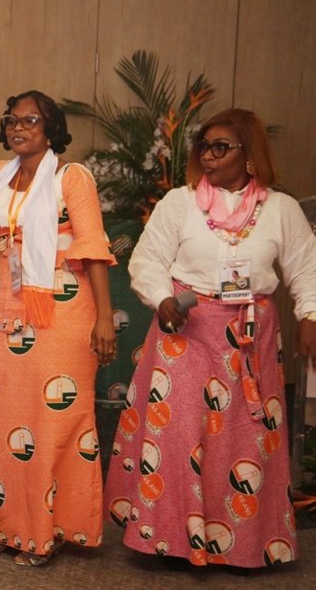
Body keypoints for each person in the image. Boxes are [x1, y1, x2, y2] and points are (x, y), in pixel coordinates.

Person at [105, 108, 316, 569]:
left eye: (221, 147)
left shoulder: (279, 209)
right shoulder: (179, 203)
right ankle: (171, 542)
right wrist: (162, 298)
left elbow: (307, 267)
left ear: (250, 154)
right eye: (204, 146)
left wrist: (310, 314)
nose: (208, 155)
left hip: (251, 337)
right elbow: (147, 260)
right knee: (178, 435)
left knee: (245, 440)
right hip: (186, 330)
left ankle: (243, 546)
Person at [0, 69, 116, 566]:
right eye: (12, 120)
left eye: (30, 120)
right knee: (5, 423)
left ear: (51, 129)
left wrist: (104, 319)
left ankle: (50, 531)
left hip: (64, 313)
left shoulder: (71, 178)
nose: (18, 127)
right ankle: (12, 527)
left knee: (53, 422)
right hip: (8, 312)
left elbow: (93, 248)